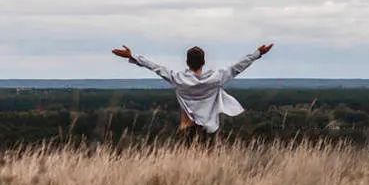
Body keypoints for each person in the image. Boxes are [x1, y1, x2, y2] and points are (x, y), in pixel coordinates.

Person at [111, 43, 274, 134]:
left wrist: (132, 56)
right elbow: (238, 67)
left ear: (187, 62)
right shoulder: (215, 78)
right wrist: (258, 53)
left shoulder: (179, 79)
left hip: (186, 128)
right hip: (209, 129)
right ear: (203, 62)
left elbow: (156, 67)